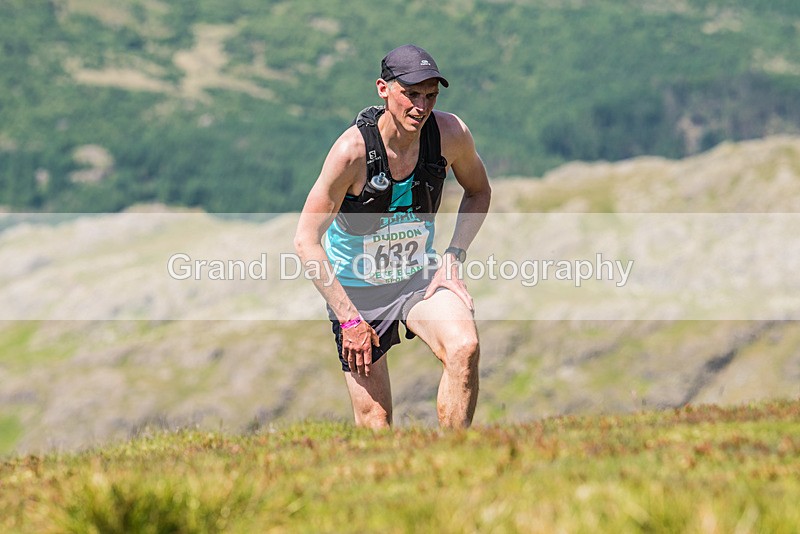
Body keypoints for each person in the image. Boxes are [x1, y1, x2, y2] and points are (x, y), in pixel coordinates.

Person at [294, 44, 491, 429]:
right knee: (376, 420)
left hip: (418, 277)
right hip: (357, 293)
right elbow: (306, 239)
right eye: (411, 94)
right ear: (383, 89)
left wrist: (453, 255)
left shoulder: (450, 134)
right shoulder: (351, 152)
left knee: (464, 348)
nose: (422, 106)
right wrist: (349, 320)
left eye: (431, 95)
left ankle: (456, 464)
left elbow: (479, 190)